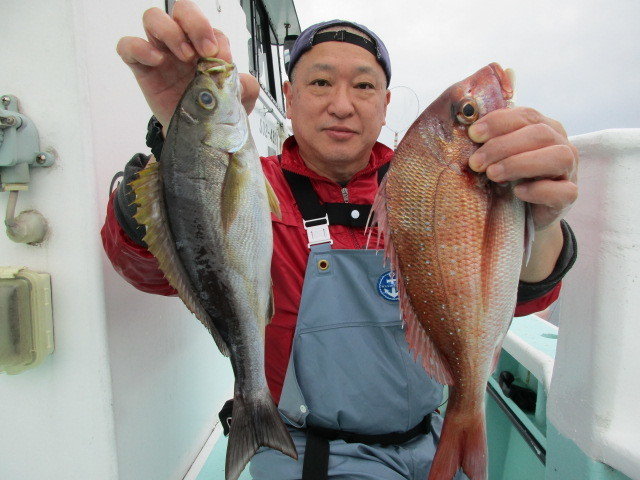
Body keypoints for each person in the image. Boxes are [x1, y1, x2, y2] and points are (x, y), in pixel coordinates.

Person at [102, 1, 578, 479]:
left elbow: (520, 298)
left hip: (431, 438)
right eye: (320, 83)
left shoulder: (430, 191)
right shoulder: (249, 186)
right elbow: (144, 267)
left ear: (386, 104)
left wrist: (540, 222)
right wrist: (179, 145)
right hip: (306, 452)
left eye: (364, 86)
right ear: (288, 98)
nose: (342, 105)